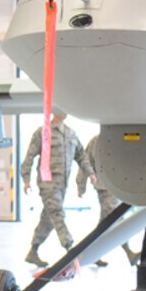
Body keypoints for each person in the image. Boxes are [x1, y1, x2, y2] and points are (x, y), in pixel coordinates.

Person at [20, 110, 93, 268]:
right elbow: (29, 156)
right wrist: (26, 179)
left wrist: (91, 174)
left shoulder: (71, 134)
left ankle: (33, 250)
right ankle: (70, 248)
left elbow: (81, 156)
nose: (65, 112)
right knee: (57, 213)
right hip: (47, 182)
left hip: (62, 184)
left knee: (48, 218)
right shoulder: (43, 132)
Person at [75, 133, 139, 267]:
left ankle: (92, 254)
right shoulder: (96, 141)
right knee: (115, 219)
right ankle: (128, 252)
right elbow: (85, 163)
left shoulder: (122, 138)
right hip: (104, 187)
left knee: (106, 223)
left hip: (119, 187)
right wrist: (81, 185)